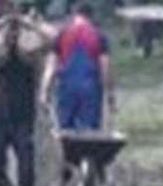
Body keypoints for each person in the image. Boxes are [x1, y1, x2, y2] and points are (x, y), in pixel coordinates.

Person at [0, 4, 54, 186]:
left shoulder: (30, 55)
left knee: (26, 163)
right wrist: (2, 24)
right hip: (0, 114)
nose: (12, 34)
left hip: (24, 113)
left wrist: (27, 23)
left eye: (16, 31)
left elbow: (51, 40)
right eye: (10, 31)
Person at [39, 0, 114, 132]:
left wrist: (45, 92)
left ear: (74, 15)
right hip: (91, 91)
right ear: (91, 16)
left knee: (66, 132)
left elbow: (50, 68)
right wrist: (110, 95)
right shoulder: (99, 36)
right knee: (90, 134)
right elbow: (105, 69)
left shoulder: (61, 35)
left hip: (66, 90)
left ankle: (70, 153)